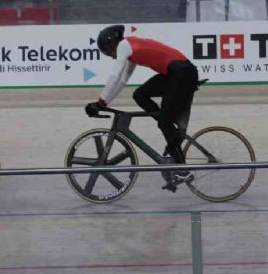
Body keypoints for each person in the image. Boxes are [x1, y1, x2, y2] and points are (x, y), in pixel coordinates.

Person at [86, 25, 200, 183]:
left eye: (107, 52)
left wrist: (100, 102)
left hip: (182, 73)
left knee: (164, 124)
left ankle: (183, 170)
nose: (109, 56)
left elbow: (115, 74)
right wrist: (104, 102)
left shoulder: (124, 46)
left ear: (111, 44)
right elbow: (122, 80)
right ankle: (171, 128)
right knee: (140, 95)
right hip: (178, 72)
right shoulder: (130, 50)